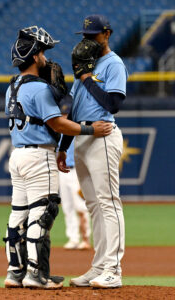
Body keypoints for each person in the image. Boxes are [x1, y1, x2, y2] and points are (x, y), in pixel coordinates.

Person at [3, 25, 113, 289]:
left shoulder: (12, 87)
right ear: (33, 55)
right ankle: (35, 274)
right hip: (39, 156)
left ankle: (14, 272)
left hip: (17, 156)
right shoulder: (38, 89)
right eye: (42, 52)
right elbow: (58, 124)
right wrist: (90, 128)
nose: (45, 58)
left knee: (18, 214)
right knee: (43, 212)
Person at [57, 14, 128, 288]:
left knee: (108, 202)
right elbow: (72, 108)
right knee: (94, 205)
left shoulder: (114, 63)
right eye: (85, 36)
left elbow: (113, 104)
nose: (88, 41)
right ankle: (98, 266)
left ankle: (114, 269)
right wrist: (64, 147)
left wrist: (86, 77)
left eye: (94, 35)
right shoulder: (86, 64)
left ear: (107, 34)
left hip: (104, 135)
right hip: (81, 137)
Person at [59, 99, 91, 250]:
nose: (64, 116)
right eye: (62, 113)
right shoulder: (58, 131)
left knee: (81, 206)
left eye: (67, 113)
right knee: (67, 206)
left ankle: (86, 239)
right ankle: (73, 238)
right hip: (62, 172)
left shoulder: (79, 130)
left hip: (76, 172)